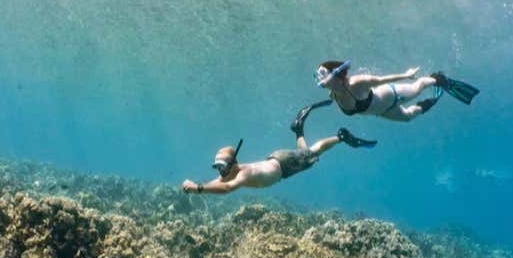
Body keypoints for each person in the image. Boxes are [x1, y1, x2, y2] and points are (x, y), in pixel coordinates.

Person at [182, 102, 376, 195]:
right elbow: (218, 181)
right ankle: (298, 129)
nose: (220, 170)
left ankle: (340, 136)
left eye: (222, 165)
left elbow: (226, 188)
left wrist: (197, 188)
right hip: (278, 162)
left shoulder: (243, 174)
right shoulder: (229, 172)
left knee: (313, 153)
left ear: (234, 163)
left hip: (284, 163)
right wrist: (197, 186)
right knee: (306, 153)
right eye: (217, 167)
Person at [310, 60, 479, 122]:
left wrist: (406, 74)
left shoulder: (356, 83)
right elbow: (334, 100)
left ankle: (438, 79)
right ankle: (431, 102)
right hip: (383, 111)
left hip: (391, 95)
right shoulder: (333, 95)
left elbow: (381, 80)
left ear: (335, 74)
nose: (320, 80)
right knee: (408, 118)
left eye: (322, 75)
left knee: (417, 88)